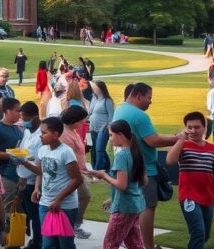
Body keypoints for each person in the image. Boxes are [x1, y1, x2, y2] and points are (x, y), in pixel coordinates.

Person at [111, 83, 181, 249]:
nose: (151, 101)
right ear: (138, 96)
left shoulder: (120, 109)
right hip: (144, 169)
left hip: (127, 166)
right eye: (149, 97)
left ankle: (135, 244)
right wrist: (177, 138)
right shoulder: (139, 115)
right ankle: (148, 246)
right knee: (147, 208)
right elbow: (153, 140)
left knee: (132, 210)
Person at [165, 112, 214, 249]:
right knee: (198, 232)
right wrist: (180, 140)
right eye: (189, 127)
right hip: (188, 197)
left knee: (205, 235)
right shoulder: (183, 146)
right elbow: (170, 160)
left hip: (207, 198)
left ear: (204, 128)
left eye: (197, 127)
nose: (193, 130)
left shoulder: (212, 149)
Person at [87, 119, 146, 249]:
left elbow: (122, 185)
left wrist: (104, 175)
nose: (110, 139)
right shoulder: (136, 152)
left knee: (110, 244)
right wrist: (112, 198)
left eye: (111, 135)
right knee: (135, 244)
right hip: (136, 204)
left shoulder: (121, 156)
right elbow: (143, 181)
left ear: (120, 134)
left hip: (124, 207)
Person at [27, 117, 83, 249]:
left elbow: (77, 179)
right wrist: (36, 188)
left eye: (44, 133)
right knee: (48, 244)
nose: (41, 136)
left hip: (65, 207)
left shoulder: (66, 152)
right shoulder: (43, 150)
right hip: (45, 204)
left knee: (65, 244)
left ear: (56, 134)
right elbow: (41, 172)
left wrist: (58, 200)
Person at [58, 106, 91, 239]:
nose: (83, 123)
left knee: (81, 197)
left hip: (80, 171)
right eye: (81, 121)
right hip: (73, 174)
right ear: (73, 120)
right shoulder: (65, 134)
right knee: (84, 196)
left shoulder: (72, 130)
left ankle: (73, 225)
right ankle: (74, 225)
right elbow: (68, 158)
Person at [16, 102, 44, 249]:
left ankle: (38, 242)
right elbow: (23, 151)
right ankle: (36, 240)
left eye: (25, 117)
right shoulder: (27, 131)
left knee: (36, 216)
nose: (23, 120)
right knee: (31, 215)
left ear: (34, 117)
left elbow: (40, 165)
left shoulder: (42, 134)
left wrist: (24, 163)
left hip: (35, 181)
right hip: (24, 178)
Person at [88, 81, 116, 172]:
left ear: (101, 88)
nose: (94, 89)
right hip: (93, 128)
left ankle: (98, 170)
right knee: (95, 149)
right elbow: (90, 112)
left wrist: (107, 126)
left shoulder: (107, 101)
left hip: (102, 129)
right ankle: (106, 167)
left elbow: (111, 115)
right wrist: (93, 98)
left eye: (96, 87)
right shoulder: (95, 99)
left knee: (99, 149)